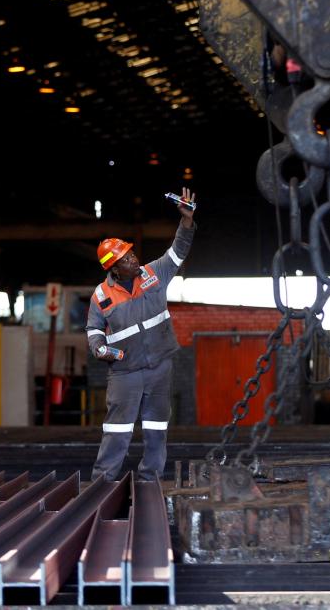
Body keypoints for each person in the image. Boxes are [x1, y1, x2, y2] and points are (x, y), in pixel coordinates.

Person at [88, 186, 196, 482]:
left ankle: (150, 480)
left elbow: (178, 252)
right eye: (125, 258)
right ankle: (103, 482)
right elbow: (94, 329)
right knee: (117, 431)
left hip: (160, 366)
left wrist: (186, 220)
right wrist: (99, 346)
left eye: (132, 253)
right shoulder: (101, 296)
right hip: (124, 372)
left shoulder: (153, 274)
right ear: (113, 267)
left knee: (156, 428)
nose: (133, 259)